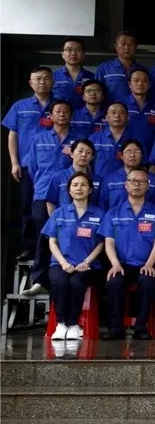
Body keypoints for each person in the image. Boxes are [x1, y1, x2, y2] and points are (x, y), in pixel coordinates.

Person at [100, 166, 155, 340]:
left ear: (148, 186)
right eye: (133, 181)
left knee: (148, 282)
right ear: (126, 185)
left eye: (141, 181)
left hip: (147, 263)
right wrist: (115, 264)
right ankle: (115, 328)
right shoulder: (113, 213)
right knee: (114, 282)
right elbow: (109, 242)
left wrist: (150, 264)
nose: (137, 184)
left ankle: (141, 327)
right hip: (121, 263)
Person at [22, 100, 80, 296]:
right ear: (51, 116)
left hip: (69, 195)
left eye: (66, 111)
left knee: (69, 234)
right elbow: (32, 168)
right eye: (58, 111)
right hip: (42, 192)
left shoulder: (78, 140)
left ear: (71, 116)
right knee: (44, 233)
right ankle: (40, 279)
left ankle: (65, 275)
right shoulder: (39, 139)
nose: (62, 114)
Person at [43, 172, 105, 341]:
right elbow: (52, 241)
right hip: (60, 263)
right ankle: (61, 323)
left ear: (90, 190)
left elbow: (101, 243)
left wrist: (86, 262)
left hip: (88, 265)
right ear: (69, 190)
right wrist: (63, 262)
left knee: (77, 282)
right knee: (60, 282)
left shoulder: (99, 214)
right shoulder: (59, 213)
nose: (79, 188)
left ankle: (73, 323)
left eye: (84, 185)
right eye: (75, 185)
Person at [3, 66, 54, 259]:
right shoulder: (20, 106)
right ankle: (30, 247)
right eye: (38, 78)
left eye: (46, 78)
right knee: (28, 206)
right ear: (30, 83)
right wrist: (14, 163)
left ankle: (52, 247)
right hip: (27, 166)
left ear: (53, 82)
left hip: (53, 167)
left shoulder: (59, 106)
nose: (42, 82)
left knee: (53, 207)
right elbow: (12, 135)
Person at [45, 138, 101, 212]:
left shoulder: (98, 179)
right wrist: (55, 218)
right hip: (64, 218)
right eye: (80, 151)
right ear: (71, 154)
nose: (84, 155)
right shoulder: (58, 177)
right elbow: (50, 203)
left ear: (92, 157)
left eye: (88, 152)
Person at [101, 139, 155, 211]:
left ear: (142, 155)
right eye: (128, 151)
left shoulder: (152, 179)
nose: (132, 155)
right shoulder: (110, 179)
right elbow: (103, 206)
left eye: (137, 151)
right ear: (121, 155)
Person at [96, 32, 150, 102]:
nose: (126, 47)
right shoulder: (104, 68)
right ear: (116, 46)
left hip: (136, 108)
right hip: (112, 108)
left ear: (136, 47)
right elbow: (96, 91)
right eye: (123, 44)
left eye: (130, 44)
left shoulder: (142, 70)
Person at [122, 69, 155, 153]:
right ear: (129, 84)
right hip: (127, 154)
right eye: (136, 80)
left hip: (150, 154)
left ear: (149, 84)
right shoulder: (120, 105)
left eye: (144, 81)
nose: (140, 84)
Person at [53, 38, 94, 109]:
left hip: (84, 116)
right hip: (61, 115)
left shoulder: (93, 77)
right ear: (63, 54)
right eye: (69, 50)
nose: (73, 53)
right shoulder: (53, 76)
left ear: (83, 54)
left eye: (78, 50)